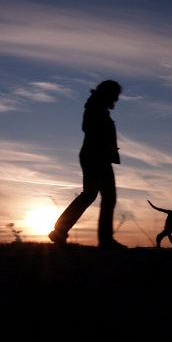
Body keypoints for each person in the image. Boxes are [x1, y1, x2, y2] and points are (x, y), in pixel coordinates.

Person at [49, 80, 127, 249]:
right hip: (95, 156)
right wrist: (103, 146)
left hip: (99, 156)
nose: (116, 99)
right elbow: (88, 128)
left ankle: (103, 240)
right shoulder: (95, 106)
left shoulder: (98, 107)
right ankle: (63, 231)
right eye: (114, 95)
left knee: (104, 197)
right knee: (93, 195)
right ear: (108, 93)